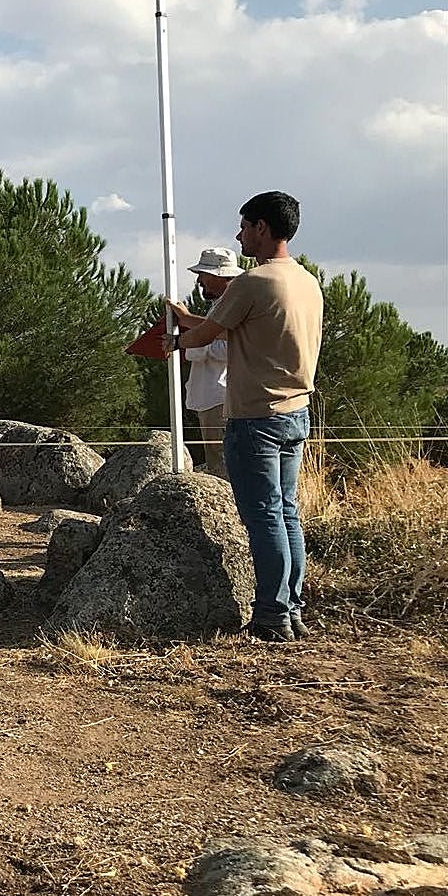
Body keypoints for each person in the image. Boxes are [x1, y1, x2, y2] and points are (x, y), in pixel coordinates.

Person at [163, 192, 323, 642]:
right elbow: (237, 326)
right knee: (287, 514)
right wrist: (189, 320)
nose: (239, 236)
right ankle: (290, 608)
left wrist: (174, 341)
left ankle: (271, 616)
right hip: (295, 412)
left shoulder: (253, 282)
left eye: (244, 227)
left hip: (256, 417)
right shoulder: (306, 281)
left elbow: (207, 334)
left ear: (262, 228)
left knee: (265, 518)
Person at [174, 247, 242, 474]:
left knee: (223, 463)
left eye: (203, 275)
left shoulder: (233, 306)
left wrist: (192, 341)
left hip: (220, 397)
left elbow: (230, 348)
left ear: (218, 276)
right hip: (212, 396)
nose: (199, 281)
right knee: (217, 461)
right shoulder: (221, 306)